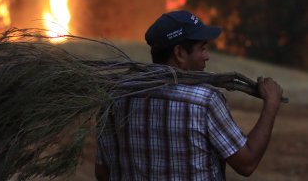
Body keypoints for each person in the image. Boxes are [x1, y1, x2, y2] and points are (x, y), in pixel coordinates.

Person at [95, 10, 283, 180]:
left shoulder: (115, 96)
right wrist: (271, 104)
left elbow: (102, 172)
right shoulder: (205, 101)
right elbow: (246, 163)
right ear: (180, 54)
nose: (207, 56)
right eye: (202, 48)